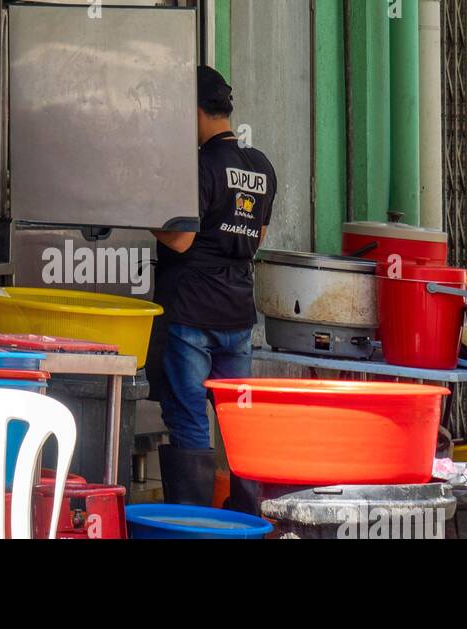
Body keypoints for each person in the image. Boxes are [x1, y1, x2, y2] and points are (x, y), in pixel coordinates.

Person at [147, 66, 277, 511]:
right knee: (239, 424)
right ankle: (246, 520)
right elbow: (256, 239)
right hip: (238, 313)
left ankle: (195, 524)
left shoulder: (199, 167)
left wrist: (146, 220)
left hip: (191, 313)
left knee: (189, 422)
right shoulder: (260, 166)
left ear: (195, 111)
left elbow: (180, 239)